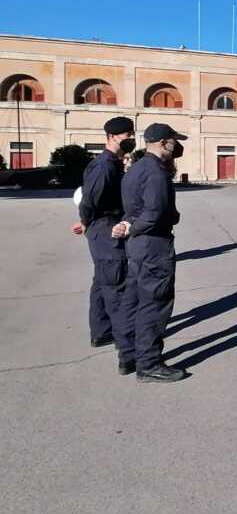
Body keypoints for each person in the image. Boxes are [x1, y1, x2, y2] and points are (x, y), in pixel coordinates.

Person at [112, 123, 186, 383]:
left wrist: (128, 225)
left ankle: (128, 355)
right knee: (154, 304)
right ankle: (149, 363)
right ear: (165, 142)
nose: (176, 145)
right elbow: (154, 213)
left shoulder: (136, 168)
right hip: (153, 245)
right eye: (174, 140)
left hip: (138, 247)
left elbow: (132, 207)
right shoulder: (156, 172)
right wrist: (133, 226)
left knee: (132, 301)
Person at [71, 116, 135, 353]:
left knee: (102, 282)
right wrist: (85, 222)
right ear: (110, 137)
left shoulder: (114, 163)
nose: (131, 139)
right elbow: (90, 199)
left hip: (103, 225)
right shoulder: (105, 165)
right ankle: (127, 347)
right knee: (116, 284)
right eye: (127, 136)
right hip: (105, 226)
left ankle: (101, 332)